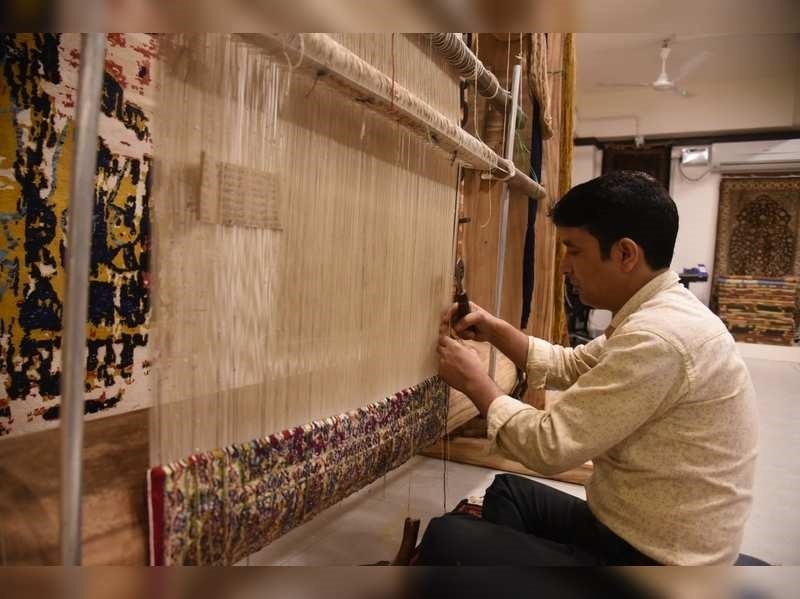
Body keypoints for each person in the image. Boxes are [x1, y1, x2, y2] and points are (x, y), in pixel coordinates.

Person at [419, 170, 759, 566]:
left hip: (658, 561)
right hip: (630, 528)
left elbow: (551, 447)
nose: (565, 268)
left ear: (625, 254)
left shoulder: (659, 338)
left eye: (574, 250)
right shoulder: (660, 311)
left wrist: (476, 383)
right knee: (507, 492)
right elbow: (573, 364)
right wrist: (495, 331)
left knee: (447, 538)